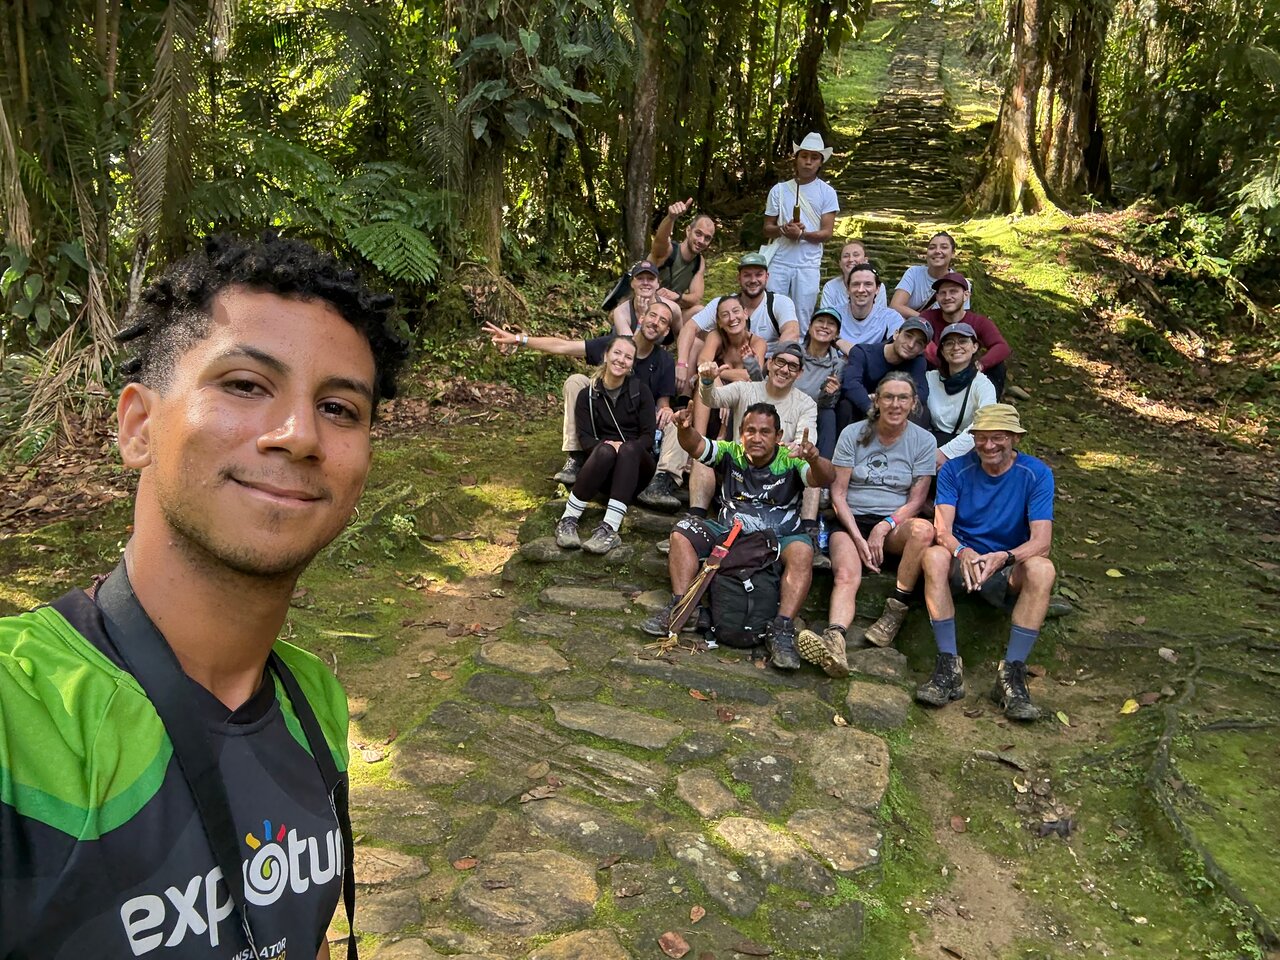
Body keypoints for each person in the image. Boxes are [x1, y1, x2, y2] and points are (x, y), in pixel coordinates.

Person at [0, 234, 411, 959]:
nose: (299, 435)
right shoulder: (22, 711)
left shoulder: (313, 700)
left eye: (341, 408)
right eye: (246, 385)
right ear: (136, 427)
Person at [641, 402, 834, 671]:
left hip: (779, 537)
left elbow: (824, 477)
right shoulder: (731, 452)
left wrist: (813, 457)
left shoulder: (791, 459)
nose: (756, 438)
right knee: (682, 533)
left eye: (765, 432)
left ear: (778, 436)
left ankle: (781, 629)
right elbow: (696, 446)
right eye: (750, 430)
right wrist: (684, 429)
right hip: (729, 533)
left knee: (803, 551)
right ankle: (683, 608)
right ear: (741, 432)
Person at [914, 404, 1057, 721]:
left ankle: (1012, 674)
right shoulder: (955, 471)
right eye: (981, 438)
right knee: (935, 555)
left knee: (1042, 568)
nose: (989, 446)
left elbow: (1041, 542)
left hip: (1006, 562)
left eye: (998, 438)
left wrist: (1004, 557)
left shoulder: (1036, 474)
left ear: (1014, 439)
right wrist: (963, 551)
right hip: (963, 556)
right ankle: (948, 665)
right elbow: (942, 530)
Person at [797, 374, 938, 676]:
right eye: (888, 397)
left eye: (903, 398)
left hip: (895, 521)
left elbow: (917, 500)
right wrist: (859, 538)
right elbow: (838, 493)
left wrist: (885, 526)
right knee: (847, 573)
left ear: (914, 403)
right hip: (851, 518)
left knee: (924, 530)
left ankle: (894, 611)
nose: (895, 404)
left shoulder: (923, 440)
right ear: (876, 399)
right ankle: (835, 640)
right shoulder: (853, 433)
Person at [482, 300, 677, 487]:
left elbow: (663, 403)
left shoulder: (665, 361)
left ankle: (662, 481)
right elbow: (564, 346)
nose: (655, 322)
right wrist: (519, 339)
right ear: (642, 318)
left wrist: (667, 410)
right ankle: (576, 457)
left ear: (666, 330)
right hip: (604, 413)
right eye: (653, 315)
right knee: (576, 381)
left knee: (678, 423)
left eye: (663, 321)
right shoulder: (615, 344)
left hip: (635, 427)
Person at [554, 336, 656, 555]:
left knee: (629, 448)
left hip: (636, 469)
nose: (621, 360)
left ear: (632, 364)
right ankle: (567, 520)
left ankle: (609, 529)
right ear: (606, 355)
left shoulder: (640, 392)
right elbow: (585, 439)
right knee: (605, 450)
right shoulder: (587, 396)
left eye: (628, 357)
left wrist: (625, 447)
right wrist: (609, 447)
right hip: (604, 468)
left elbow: (648, 436)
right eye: (617, 353)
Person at [676, 252, 800, 395]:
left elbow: (792, 333)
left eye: (758, 274)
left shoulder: (779, 302)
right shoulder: (725, 304)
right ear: (739, 278)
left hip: (765, 367)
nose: (753, 280)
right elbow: (690, 327)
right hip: (726, 363)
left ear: (767, 277)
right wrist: (681, 363)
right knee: (695, 344)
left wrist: (768, 367)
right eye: (747, 275)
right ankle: (683, 402)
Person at [762, 132, 840, 329]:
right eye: (804, 156)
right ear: (796, 159)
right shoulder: (778, 190)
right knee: (771, 310)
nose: (808, 162)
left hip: (808, 264)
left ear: (820, 163)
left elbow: (827, 233)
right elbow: (767, 228)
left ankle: (800, 354)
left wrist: (802, 235)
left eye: (814, 158)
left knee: (803, 314)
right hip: (779, 260)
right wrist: (783, 229)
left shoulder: (827, 193)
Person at [918, 271, 1011, 399]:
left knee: (997, 366)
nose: (947, 297)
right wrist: (945, 361)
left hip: (968, 371)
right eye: (942, 293)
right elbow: (919, 337)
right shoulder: (928, 316)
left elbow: (1002, 347)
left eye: (953, 292)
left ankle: (989, 406)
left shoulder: (979, 321)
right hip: (937, 369)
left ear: (966, 295)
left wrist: (980, 364)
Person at [838, 317, 932, 433]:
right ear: (896, 334)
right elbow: (851, 384)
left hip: (896, 410)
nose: (911, 345)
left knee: (922, 411)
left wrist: (891, 400)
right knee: (846, 406)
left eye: (919, 342)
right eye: (908, 336)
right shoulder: (863, 352)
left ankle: (908, 450)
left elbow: (922, 392)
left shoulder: (918, 361)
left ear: (922, 349)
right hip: (865, 407)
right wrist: (874, 409)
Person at [927, 322, 997, 469]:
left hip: (968, 448)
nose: (956, 347)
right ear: (942, 351)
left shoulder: (983, 385)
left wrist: (947, 453)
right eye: (949, 343)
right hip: (931, 443)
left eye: (963, 341)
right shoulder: (930, 378)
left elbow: (984, 423)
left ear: (975, 347)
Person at [647, 197, 715, 328]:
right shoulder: (669, 250)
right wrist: (671, 218)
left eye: (707, 238)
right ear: (688, 231)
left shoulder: (699, 262)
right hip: (646, 307)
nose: (701, 241)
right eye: (698, 234)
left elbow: (696, 298)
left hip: (672, 314)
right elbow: (660, 240)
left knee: (700, 311)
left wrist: (677, 296)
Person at [793, 307, 845, 462]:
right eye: (820, 321)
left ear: (836, 334)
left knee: (828, 414)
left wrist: (829, 393)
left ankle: (823, 469)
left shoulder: (838, 365)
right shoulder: (794, 352)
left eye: (831, 324)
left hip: (814, 412)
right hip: (786, 403)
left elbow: (827, 404)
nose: (824, 326)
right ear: (809, 327)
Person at [890, 231, 972, 318]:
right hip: (910, 328)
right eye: (932, 248)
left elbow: (959, 318)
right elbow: (895, 306)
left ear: (953, 253)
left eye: (944, 247)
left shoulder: (962, 283)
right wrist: (926, 320)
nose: (937, 251)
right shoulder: (914, 273)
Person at [830, 263, 903, 354]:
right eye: (856, 284)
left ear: (877, 289)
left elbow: (897, 349)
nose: (861, 290)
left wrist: (844, 346)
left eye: (868, 284)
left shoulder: (891, 317)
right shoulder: (832, 315)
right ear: (848, 289)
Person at [820, 239, 887, 312]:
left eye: (856, 255)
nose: (851, 259)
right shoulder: (830, 287)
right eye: (846, 256)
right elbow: (825, 316)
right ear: (840, 263)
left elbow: (880, 317)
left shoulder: (878, 287)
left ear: (865, 261)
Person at [610, 259, 667, 336]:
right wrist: (643, 317)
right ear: (632, 283)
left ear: (658, 284)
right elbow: (630, 347)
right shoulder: (621, 312)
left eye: (651, 279)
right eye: (640, 278)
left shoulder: (671, 308)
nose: (645, 283)